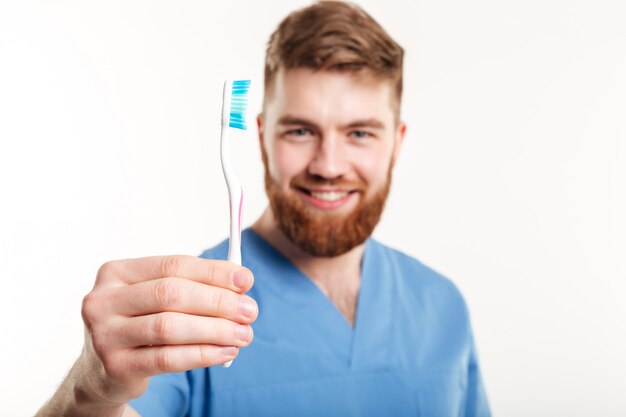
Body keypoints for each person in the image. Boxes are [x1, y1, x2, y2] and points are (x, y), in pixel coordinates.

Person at [36, 1, 491, 416]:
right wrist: (92, 391)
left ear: (397, 142)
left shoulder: (443, 307)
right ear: (260, 135)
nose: (329, 166)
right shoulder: (190, 313)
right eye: (300, 131)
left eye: (360, 133)